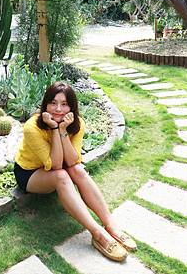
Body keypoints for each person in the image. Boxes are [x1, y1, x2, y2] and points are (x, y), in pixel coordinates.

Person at [13, 82, 136, 262]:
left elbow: (71, 161)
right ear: (45, 104)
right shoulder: (33, 126)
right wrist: (55, 129)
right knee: (61, 176)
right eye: (53, 103)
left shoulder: (77, 124)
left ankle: (110, 224)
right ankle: (98, 234)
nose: (58, 109)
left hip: (58, 164)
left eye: (64, 104)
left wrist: (63, 130)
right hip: (29, 173)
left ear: (72, 106)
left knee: (77, 170)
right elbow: (56, 166)